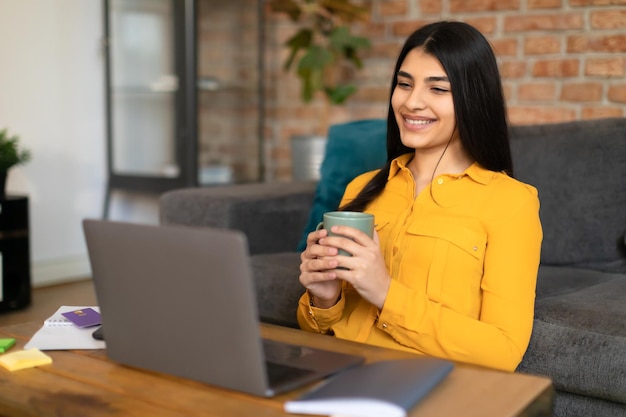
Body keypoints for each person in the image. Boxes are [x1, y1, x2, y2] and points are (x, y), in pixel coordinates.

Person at [297, 21, 543, 372]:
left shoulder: (511, 203)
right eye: (404, 84)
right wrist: (324, 298)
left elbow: (503, 351)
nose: (412, 102)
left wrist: (385, 292)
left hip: (422, 385)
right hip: (339, 372)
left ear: (473, 98)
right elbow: (318, 330)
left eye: (438, 89)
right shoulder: (362, 188)